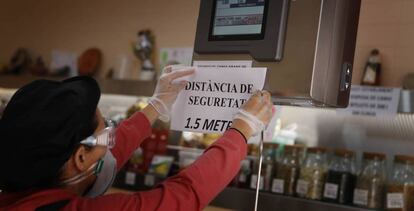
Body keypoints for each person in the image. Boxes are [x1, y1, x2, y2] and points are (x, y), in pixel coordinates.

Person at [0, 66, 273, 211]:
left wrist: (155, 107)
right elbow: (183, 197)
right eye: (105, 128)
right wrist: (240, 131)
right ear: (81, 156)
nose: (111, 135)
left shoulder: (19, 189)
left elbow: (112, 151)